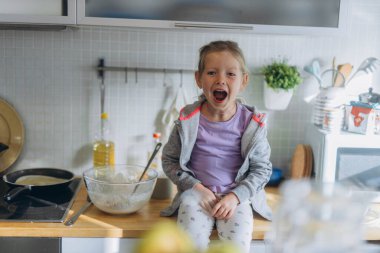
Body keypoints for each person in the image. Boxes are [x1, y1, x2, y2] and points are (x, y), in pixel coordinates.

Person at [160, 40, 272, 253]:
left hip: (236, 199)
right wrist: (197, 189)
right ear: (198, 79)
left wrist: (235, 196)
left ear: (243, 81)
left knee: (235, 248)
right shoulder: (187, 120)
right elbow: (169, 161)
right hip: (196, 197)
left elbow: (262, 169)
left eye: (230, 74)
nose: (221, 80)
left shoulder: (252, 124)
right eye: (212, 73)